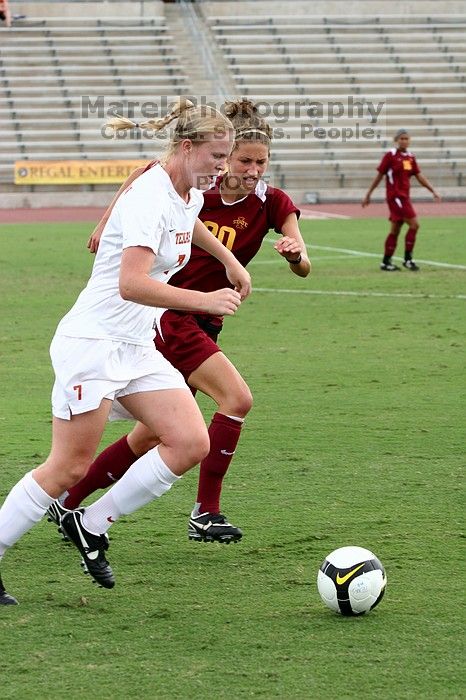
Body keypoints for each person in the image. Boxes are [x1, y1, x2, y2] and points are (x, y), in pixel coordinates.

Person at [0, 99, 252, 605]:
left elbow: (190, 223)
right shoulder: (149, 196)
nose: (222, 169)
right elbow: (131, 284)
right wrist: (203, 299)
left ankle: (92, 523)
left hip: (135, 345)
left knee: (188, 441)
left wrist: (227, 260)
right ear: (187, 147)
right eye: (217, 157)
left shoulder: (186, 191)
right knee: (68, 467)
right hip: (93, 343)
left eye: (227, 159)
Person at [47, 98, 311, 547]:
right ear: (223, 157)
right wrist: (106, 222)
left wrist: (294, 255)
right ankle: (206, 511)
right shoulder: (190, 182)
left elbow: (304, 264)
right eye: (243, 160)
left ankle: (68, 498)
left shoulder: (272, 202)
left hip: (202, 321)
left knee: (151, 434)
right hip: (170, 313)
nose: (251, 170)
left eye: (260, 162)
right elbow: (141, 178)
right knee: (236, 398)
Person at [362, 128, 441, 271]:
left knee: (395, 230)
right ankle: (408, 260)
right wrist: (369, 194)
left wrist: (432, 190)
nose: (404, 141)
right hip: (395, 197)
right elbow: (379, 176)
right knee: (415, 225)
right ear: (396, 140)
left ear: (410, 140)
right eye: (401, 138)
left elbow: (419, 176)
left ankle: (386, 262)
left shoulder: (411, 157)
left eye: (406, 138)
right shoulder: (390, 155)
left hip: (404, 197)